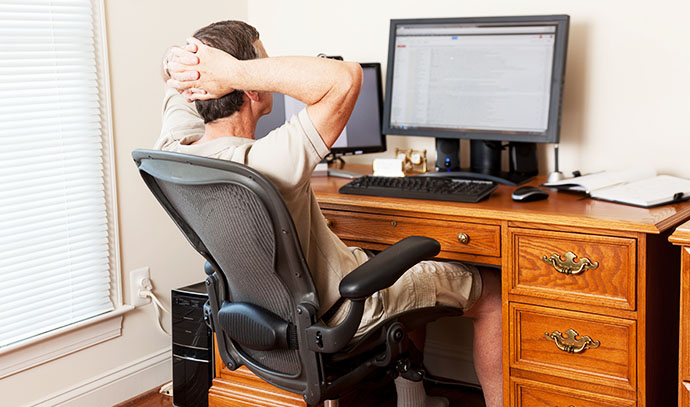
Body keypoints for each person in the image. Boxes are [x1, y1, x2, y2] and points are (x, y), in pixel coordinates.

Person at [157, 20, 502, 407]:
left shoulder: (174, 151)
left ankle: (412, 398)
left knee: (397, 269)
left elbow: (173, 92)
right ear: (251, 87)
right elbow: (346, 77)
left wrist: (188, 67)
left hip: (263, 321)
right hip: (338, 314)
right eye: (263, 65)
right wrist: (237, 71)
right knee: (491, 292)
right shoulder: (269, 160)